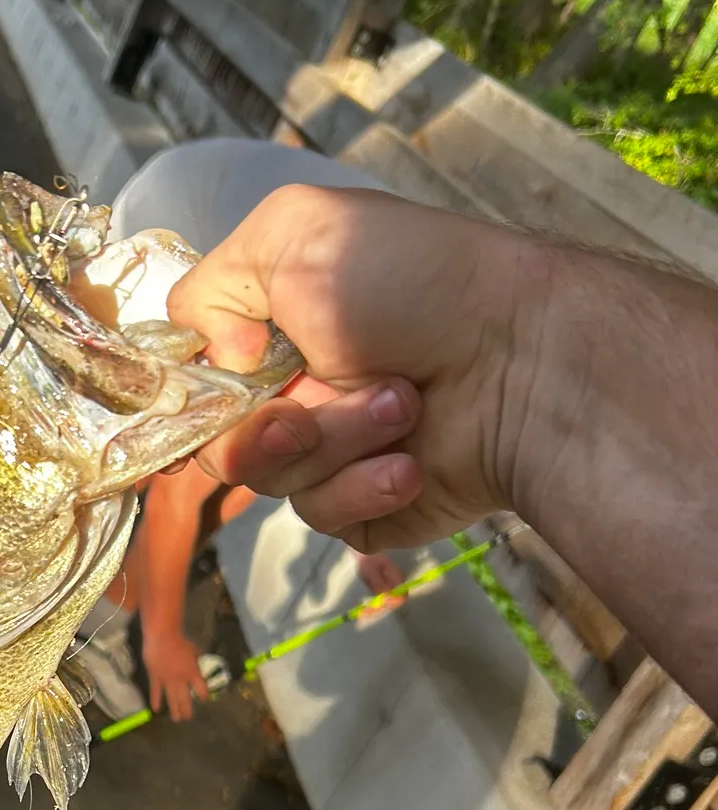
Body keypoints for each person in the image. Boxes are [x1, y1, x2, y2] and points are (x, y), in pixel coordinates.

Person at [160, 178, 718, 718]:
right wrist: (160, 635)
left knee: (236, 458)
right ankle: (131, 624)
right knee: (200, 463)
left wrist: (514, 371)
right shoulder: (282, 248)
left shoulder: (358, 253)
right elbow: (176, 488)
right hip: (201, 254)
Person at [76, 141, 406, 724]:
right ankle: (98, 629)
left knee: (254, 467)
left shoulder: (406, 329)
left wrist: (362, 546)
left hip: (231, 221)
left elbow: (349, 427)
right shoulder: (335, 316)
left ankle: (110, 607)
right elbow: (182, 498)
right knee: (196, 465)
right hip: (164, 235)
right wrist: (164, 640)